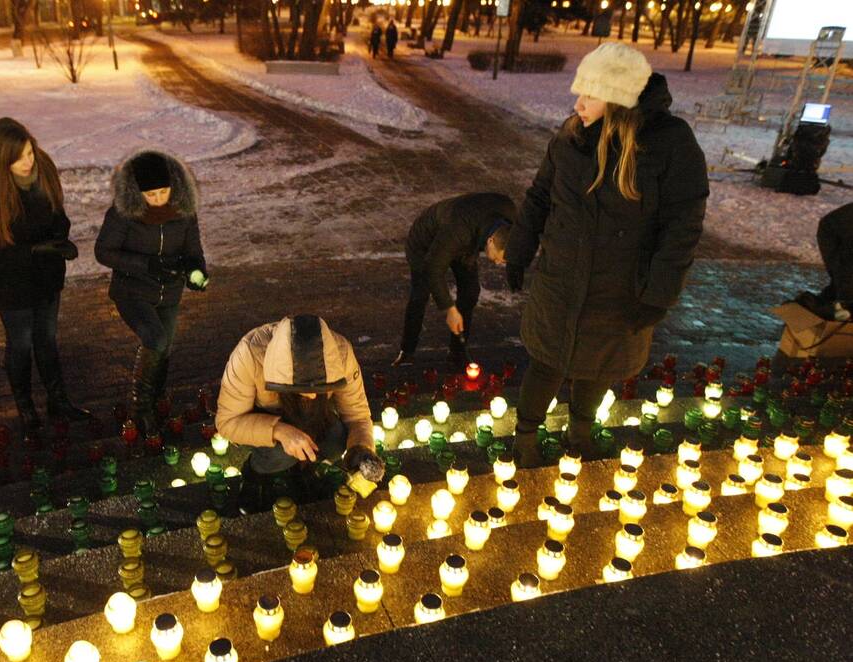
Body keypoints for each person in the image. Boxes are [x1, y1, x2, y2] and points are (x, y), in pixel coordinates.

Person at [503, 43, 708, 466]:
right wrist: (519, 250)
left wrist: (659, 293)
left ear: (617, 99)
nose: (577, 103)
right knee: (547, 361)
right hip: (561, 279)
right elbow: (541, 196)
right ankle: (525, 437)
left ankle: (580, 432)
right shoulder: (571, 136)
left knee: (598, 365)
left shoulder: (670, 144)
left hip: (620, 288)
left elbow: (682, 225)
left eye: (590, 95)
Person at [0, 117, 90, 443]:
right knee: (20, 343)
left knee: (46, 339)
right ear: (0, 160)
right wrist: (32, 251)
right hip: (10, 284)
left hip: (46, 276)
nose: (28, 161)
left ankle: (58, 401)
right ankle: (25, 405)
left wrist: (60, 239)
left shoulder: (43, 168)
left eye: (29, 152)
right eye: (18, 158)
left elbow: (57, 213)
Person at [216, 315, 383, 513]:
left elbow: (357, 415)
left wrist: (361, 451)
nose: (313, 395)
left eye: (322, 387)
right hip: (263, 419)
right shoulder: (249, 355)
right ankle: (255, 478)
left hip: (315, 417)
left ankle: (305, 473)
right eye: (303, 388)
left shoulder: (341, 354)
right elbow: (227, 422)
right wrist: (278, 431)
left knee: (337, 439)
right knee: (278, 454)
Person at [94, 150, 208, 434]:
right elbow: (103, 251)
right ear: (138, 191)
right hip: (132, 292)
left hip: (169, 293)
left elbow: (193, 251)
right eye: (151, 194)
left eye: (163, 192)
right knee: (155, 337)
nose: (158, 199)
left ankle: (156, 399)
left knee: (165, 345)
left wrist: (197, 273)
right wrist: (145, 265)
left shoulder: (183, 211)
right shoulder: (124, 214)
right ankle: (140, 410)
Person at [392, 192, 517, 368]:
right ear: (490, 241)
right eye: (500, 258)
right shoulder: (458, 230)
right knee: (420, 294)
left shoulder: (510, 218)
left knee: (470, 291)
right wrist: (450, 310)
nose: (499, 263)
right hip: (426, 243)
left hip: (466, 240)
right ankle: (407, 351)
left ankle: (457, 351)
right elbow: (432, 268)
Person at [797, 202, 853, 321]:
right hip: (835, 234)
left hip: (838, 232)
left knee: (841, 284)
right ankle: (837, 312)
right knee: (845, 284)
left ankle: (834, 309)